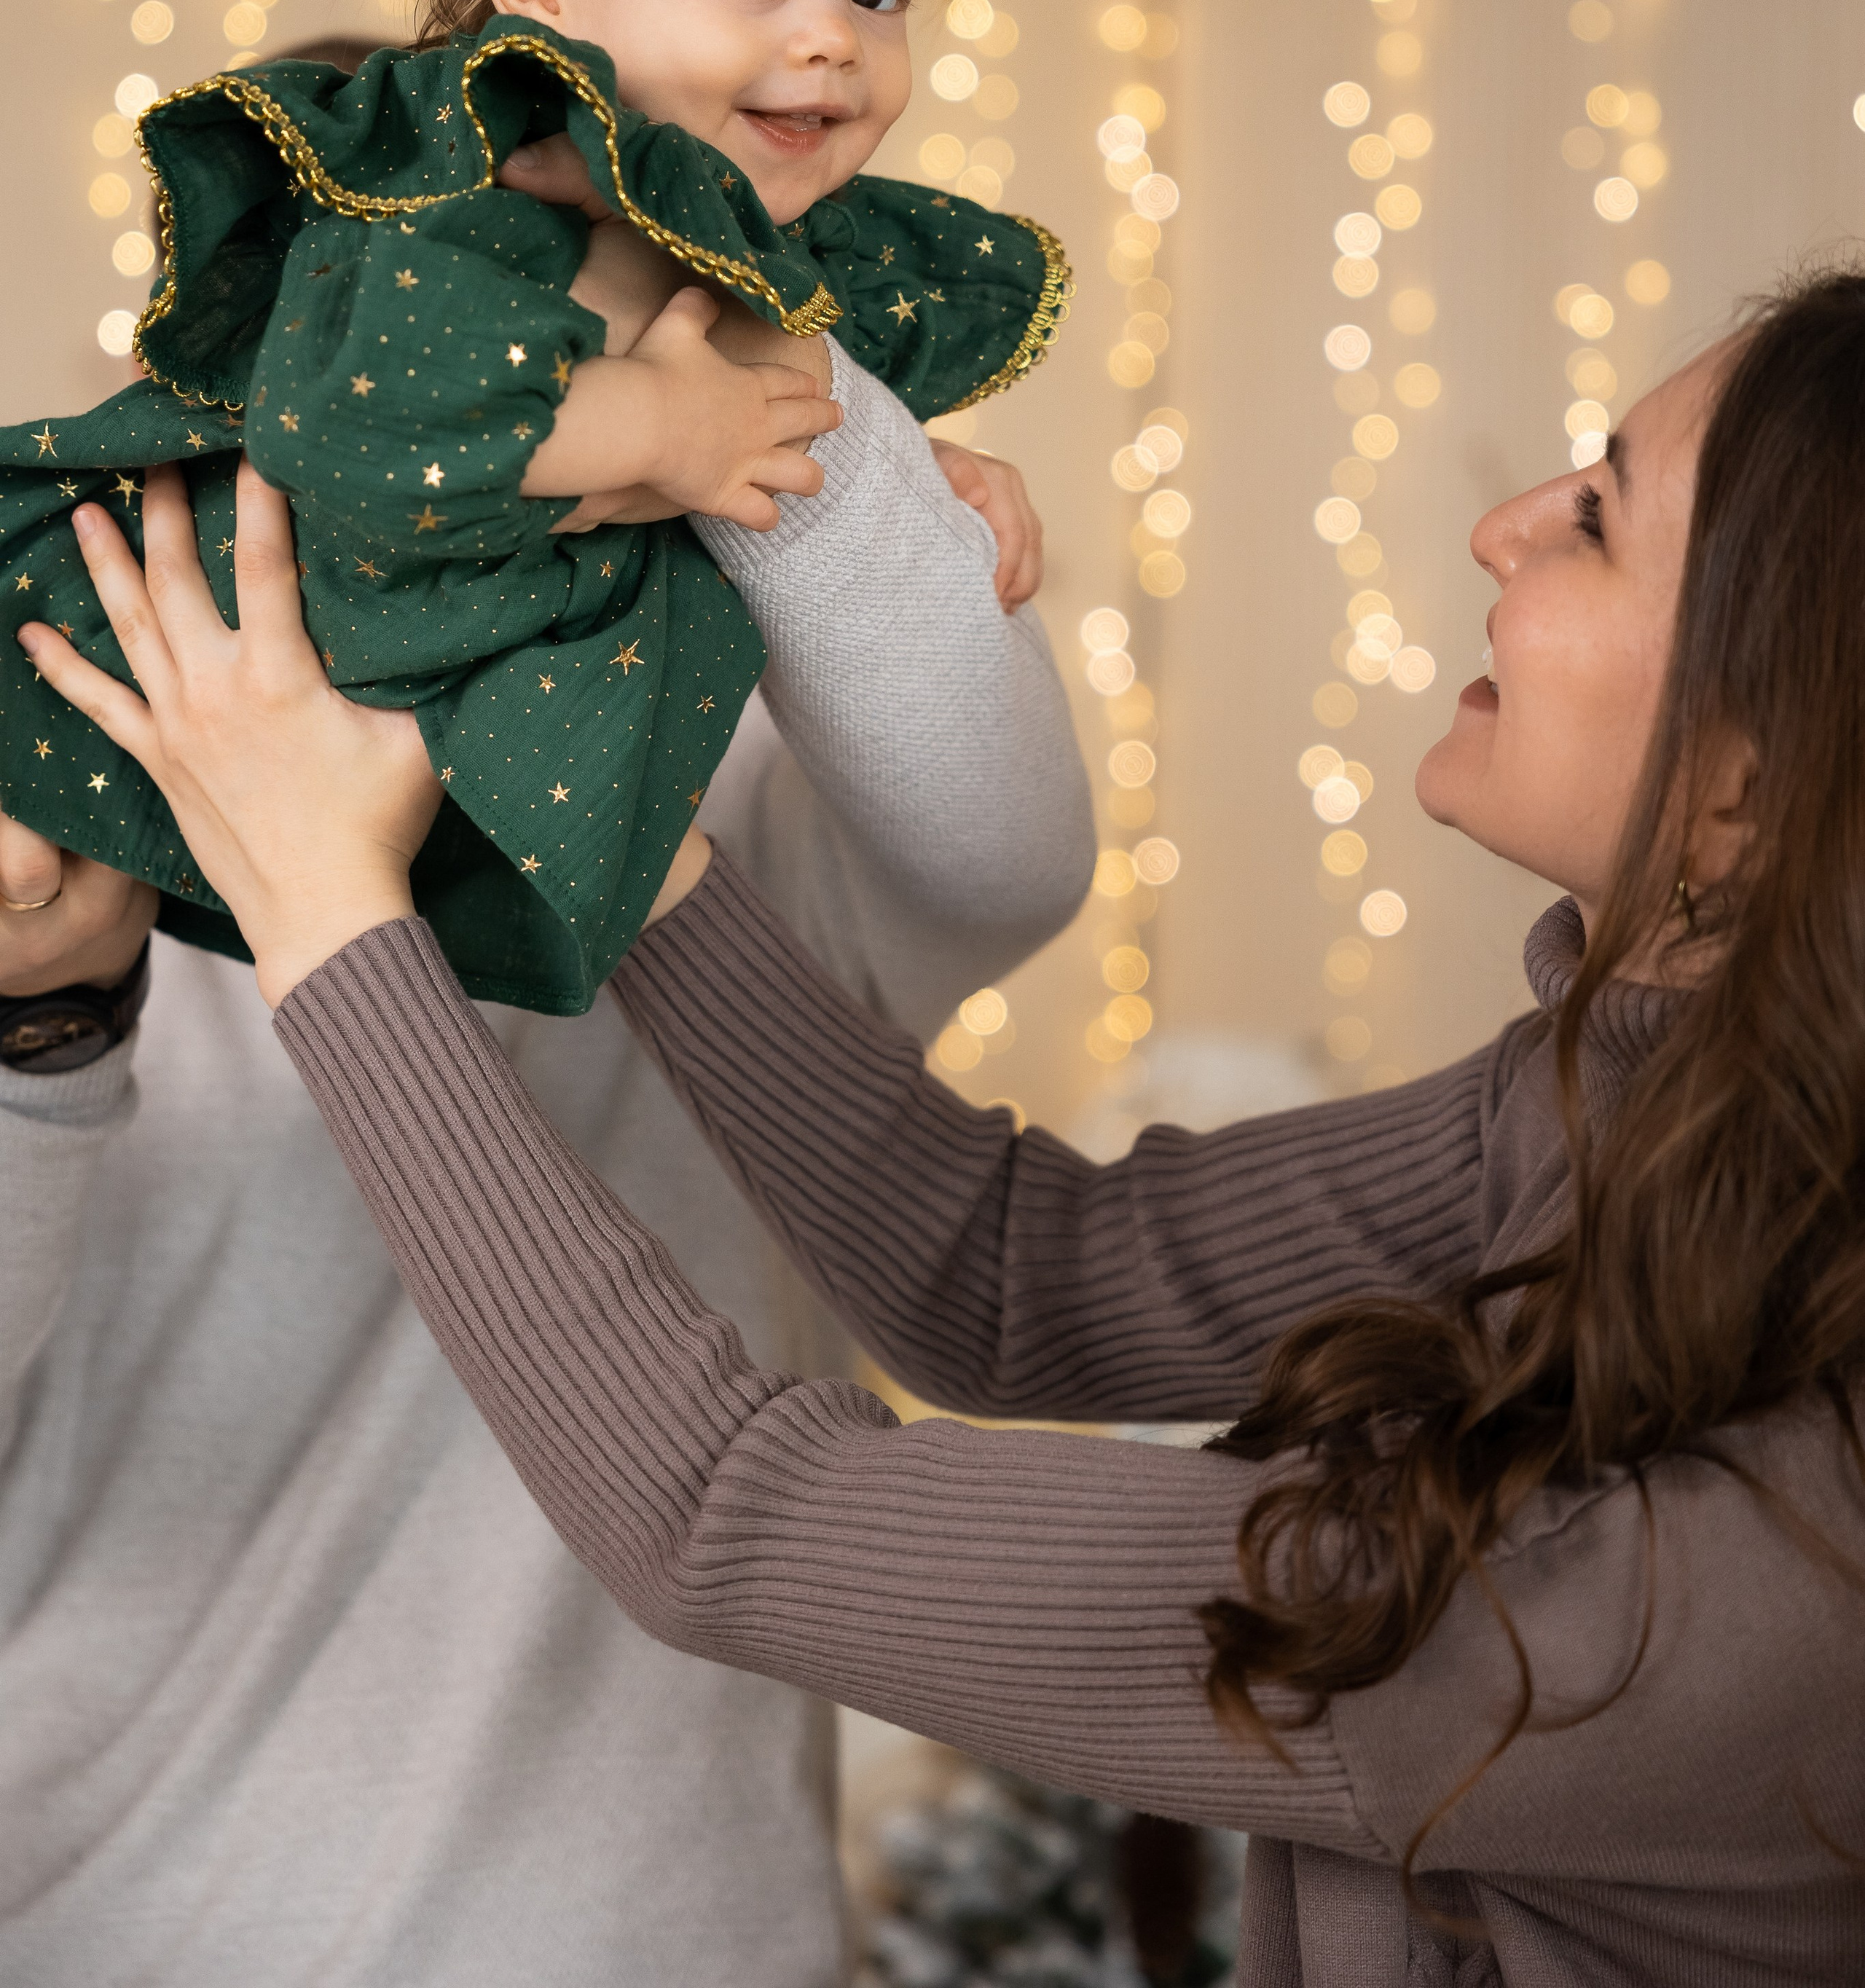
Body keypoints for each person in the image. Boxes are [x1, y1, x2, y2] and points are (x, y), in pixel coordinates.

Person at [31, 266, 1865, 1982]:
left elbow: (726, 1519)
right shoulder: (1634, 1117)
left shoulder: (1739, 1601)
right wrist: (577, 763)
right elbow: (1012, 1279)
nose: (1500, 522)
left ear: (1755, 787)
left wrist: (326, 917)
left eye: (1600, 517)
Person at [0, 353, 1094, 1984]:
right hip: (130, 1925)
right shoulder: (53, 795)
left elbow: (1004, 864)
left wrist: (853, 498)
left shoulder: (706, 772)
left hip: (671, 1935)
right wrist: (48, 1035)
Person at [0, 0, 1067, 1008]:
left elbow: (1005, 867)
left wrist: (887, 470)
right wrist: (662, 426)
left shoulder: (741, 270)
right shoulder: (448, 216)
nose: (835, 35)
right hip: (123, 696)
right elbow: (359, 424)